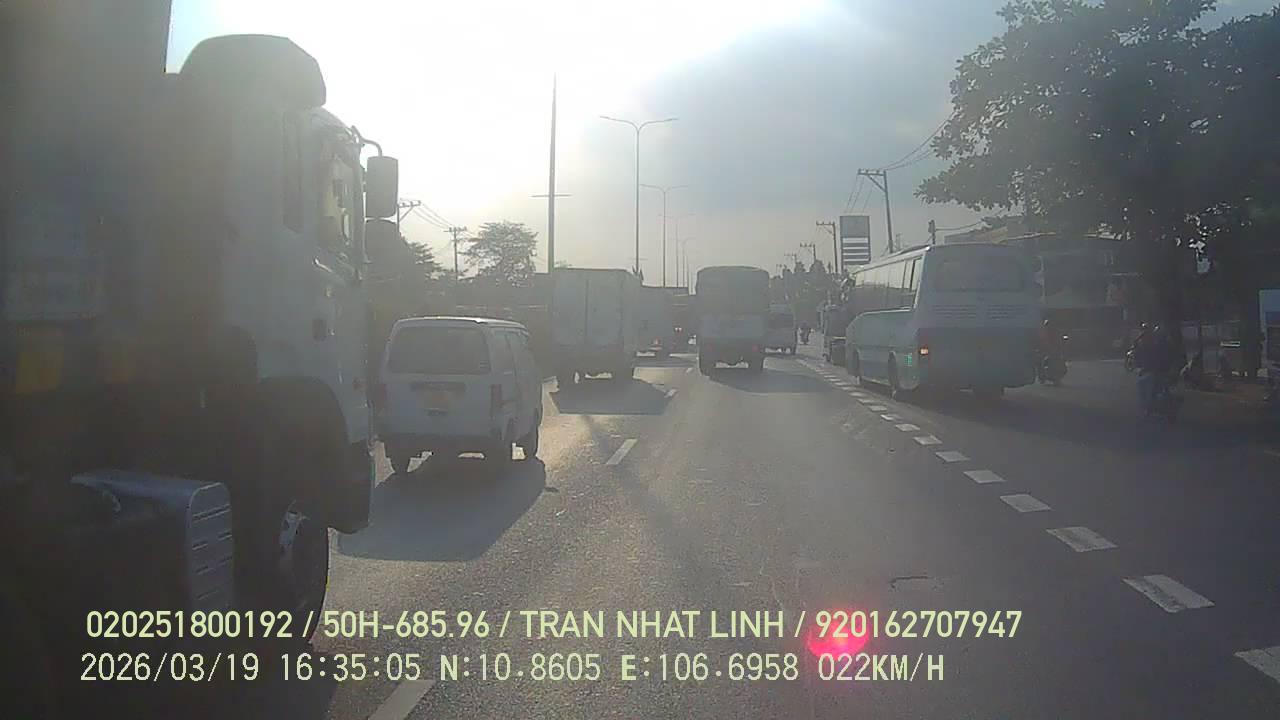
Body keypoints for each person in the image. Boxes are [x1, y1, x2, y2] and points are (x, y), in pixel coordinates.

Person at [1134, 324, 1174, 413]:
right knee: (1144, 385)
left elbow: (1162, 358)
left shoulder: (1156, 344)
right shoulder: (1149, 343)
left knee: (1143, 384)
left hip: (1157, 371)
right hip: (1156, 371)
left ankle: (1149, 405)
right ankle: (1149, 405)